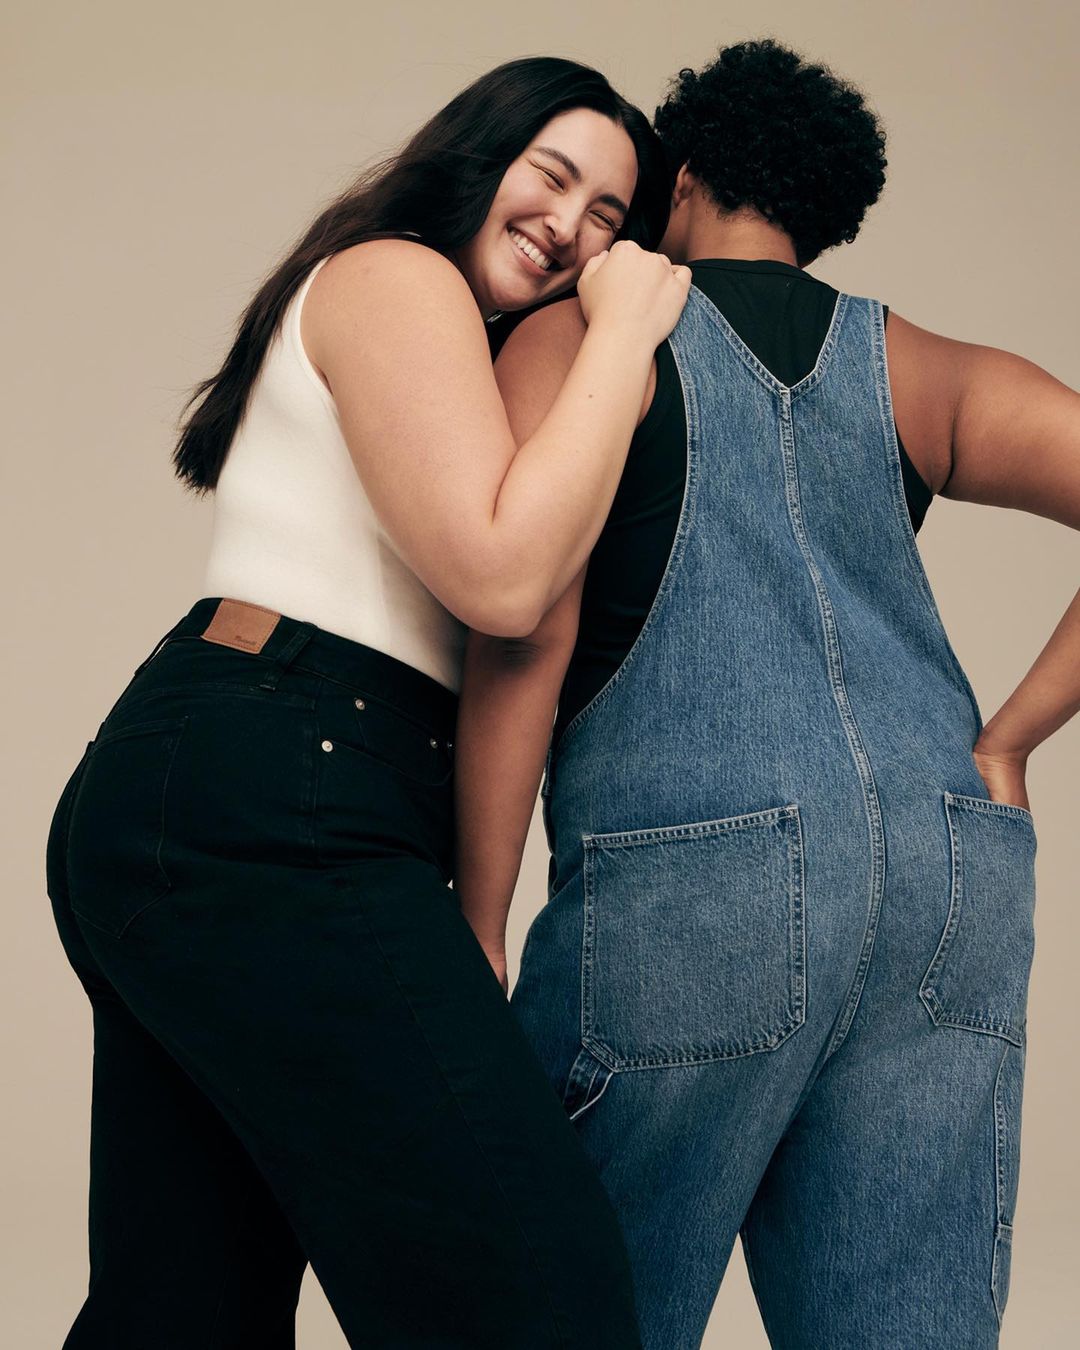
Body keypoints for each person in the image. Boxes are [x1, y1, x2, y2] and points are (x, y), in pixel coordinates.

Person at [45, 56, 691, 1348]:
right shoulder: (400, 276)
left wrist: (478, 905)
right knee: (538, 1291)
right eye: (552, 176)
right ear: (481, 151)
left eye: (609, 219)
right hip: (276, 780)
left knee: (185, 1313)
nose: (570, 228)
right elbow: (505, 581)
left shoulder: (468, 347)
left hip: (244, 789)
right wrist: (624, 332)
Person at [454, 39, 1080, 1349]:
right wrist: (1011, 741)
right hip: (950, 883)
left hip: (695, 883)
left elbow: (526, 633)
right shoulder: (917, 366)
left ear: (678, 179)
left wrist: (480, 916)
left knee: (562, 1317)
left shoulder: (584, 337)